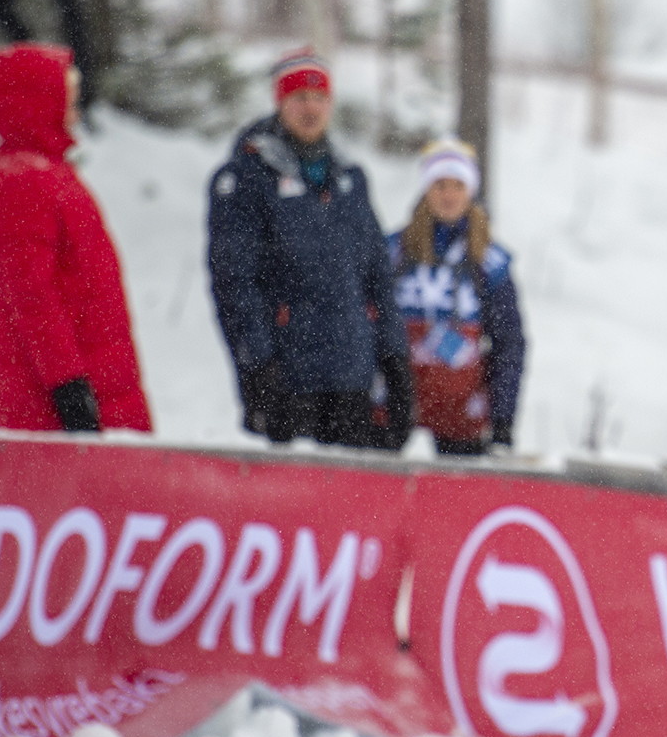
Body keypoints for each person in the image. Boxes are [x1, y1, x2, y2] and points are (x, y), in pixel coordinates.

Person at [207, 47, 412, 451]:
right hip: (289, 378)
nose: (311, 108)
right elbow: (234, 282)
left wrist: (395, 360)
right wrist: (257, 367)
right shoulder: (246, 178)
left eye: (320, 98)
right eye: (300, 98)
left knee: (353, 507)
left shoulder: (351, 178)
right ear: (280, 101)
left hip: (352, 375)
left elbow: (377, 277)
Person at [0, 43, 151, 434]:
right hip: (61, 395)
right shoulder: (21, 179)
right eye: (65, 99)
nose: (73, 111)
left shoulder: (46, 171)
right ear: (35, 103)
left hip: (94, 372)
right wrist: (67, 383)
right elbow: (30, 293)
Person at [388, 139, 525, 455]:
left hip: (463, 419)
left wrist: (503, 421)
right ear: (425, 190)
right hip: (394, 413)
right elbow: (368, 326)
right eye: (439, 185)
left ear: (470, 191)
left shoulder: (491, 262)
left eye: (458, 185)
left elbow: (510, 345)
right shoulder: (393, 251)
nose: (449, 195)